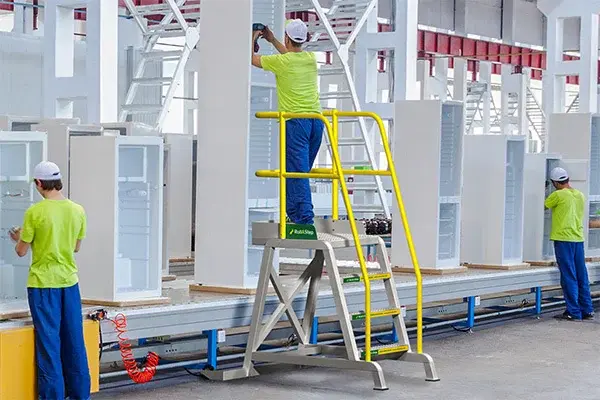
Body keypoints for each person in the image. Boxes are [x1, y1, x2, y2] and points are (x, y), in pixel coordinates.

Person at [10, 161, 90, 399]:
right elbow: (75, 247)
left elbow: (21, 251)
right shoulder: (78, 210)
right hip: (70, 283)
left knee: (49, 344)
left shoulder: (35, 212)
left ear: (38, 183)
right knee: (74, 341)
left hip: (43, 285)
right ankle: (79, 394)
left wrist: (19, 237)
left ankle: (53, 396)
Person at [251, 19, 323, 225]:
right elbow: (290, 56)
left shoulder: (281, 62)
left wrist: (253, 37)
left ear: (287, 38)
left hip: (296, 122)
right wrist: (272, 40)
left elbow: (251, 59)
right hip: (316, 122)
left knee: (296, 172)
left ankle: (303, 220)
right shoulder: (310, 58)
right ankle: (295, 214)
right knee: (299, 173)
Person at [545, 167, 594, 321]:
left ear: (555, 183)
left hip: (563, 239)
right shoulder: (579, 195)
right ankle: (587, 310)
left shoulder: (557, 195)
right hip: (578, 239)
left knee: (568, 275)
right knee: (581, 275)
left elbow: (543, 206)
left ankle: (573, 312)